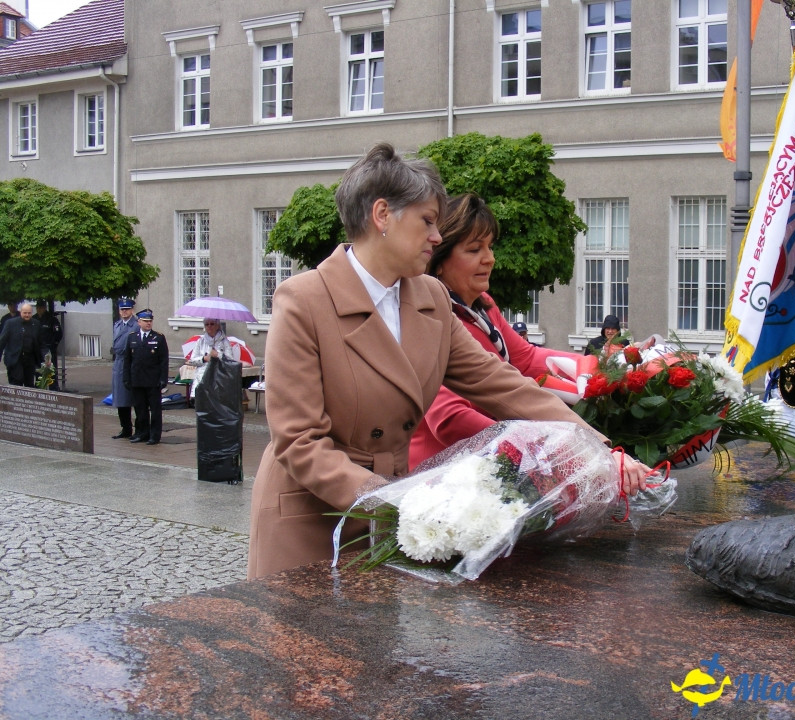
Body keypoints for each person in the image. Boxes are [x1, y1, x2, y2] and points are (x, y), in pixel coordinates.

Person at [247, 143, 654, 579]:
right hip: (318, 516)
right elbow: (299, 442)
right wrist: (401, 503)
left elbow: (505, 386)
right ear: (382, 215)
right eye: (426, 221)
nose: (437, 237)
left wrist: (598, 450)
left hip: (398, 512)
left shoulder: (431, 298)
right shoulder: (304, 300)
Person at [408, 192, 586, 467]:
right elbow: (448, 418)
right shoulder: (428, 316)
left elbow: (527, 358)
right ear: (440, 260)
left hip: (490, 465)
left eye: (490, 247)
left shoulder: (484, 307)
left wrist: (596, 368)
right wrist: (532, 447)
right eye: (474, 249)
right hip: (442, 477)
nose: (489, 259)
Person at [123, 309, 169, 445]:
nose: (148, 324)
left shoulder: (158, 338)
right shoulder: (132, 337)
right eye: (145, 321)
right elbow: (127, 360)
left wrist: (163, 379)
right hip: (137, 380)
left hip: (153, 381)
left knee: (155, 410)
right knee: (140, 409)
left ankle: (154, 436)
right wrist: (126, 378)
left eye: (150, 321)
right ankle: (142, 433)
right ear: (139, 322)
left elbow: (163, 361)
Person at [110, 297, 139, 438]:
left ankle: (137, 429)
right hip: (119, 363)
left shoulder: (136, 325)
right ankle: (125, 428)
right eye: (122, 309)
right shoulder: (117, 325)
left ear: (132, 310)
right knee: (120, 398)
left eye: (127, 309)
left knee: (132, 398)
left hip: (130, 362)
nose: (124, 312)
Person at [187, 317, 237, 394]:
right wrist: (204, 359)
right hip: (201, 379)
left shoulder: (224, 341)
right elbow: (192, 360)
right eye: (207, 324)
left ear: (217, 326)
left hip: (218, 381)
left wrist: (218, 355)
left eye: (212, 324)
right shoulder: (200, 341)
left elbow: (230, 361)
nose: (209, 326)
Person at [0, 302, 43, 386]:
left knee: (29, 385)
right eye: (25, 313)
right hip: (15, 359)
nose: (27, 315)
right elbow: (2, 341)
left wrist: (46, 357)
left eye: (29, 313)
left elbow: (41, 343)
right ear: (21, 312)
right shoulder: (10, 323)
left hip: (30, 360)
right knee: (17, 383)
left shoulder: (36, 324)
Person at [34, 300, 63, 390]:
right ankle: (40, 389)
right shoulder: (34, 319)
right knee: (39, 371)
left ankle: (53, 389)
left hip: (49, 349)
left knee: (51, 371)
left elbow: (58, 333)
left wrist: (54, 345)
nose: (39, 309)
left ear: (45, 308)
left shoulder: (51, 319)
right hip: (37, 350)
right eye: (38, 307)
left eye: (41, 307)